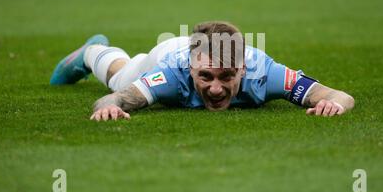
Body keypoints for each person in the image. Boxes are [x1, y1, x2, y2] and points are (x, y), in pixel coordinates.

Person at [50, 21, 354, 121]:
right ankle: (91, 53)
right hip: (166, 54)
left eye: (227, 77)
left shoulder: (265, 72)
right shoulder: (170, 75)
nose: (217, 89)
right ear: (192, 69)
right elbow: (113, 99)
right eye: (206, 77)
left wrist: (333, 103)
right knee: (121, 76)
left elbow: (338, 95)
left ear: (242, 68)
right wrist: (109, 110)